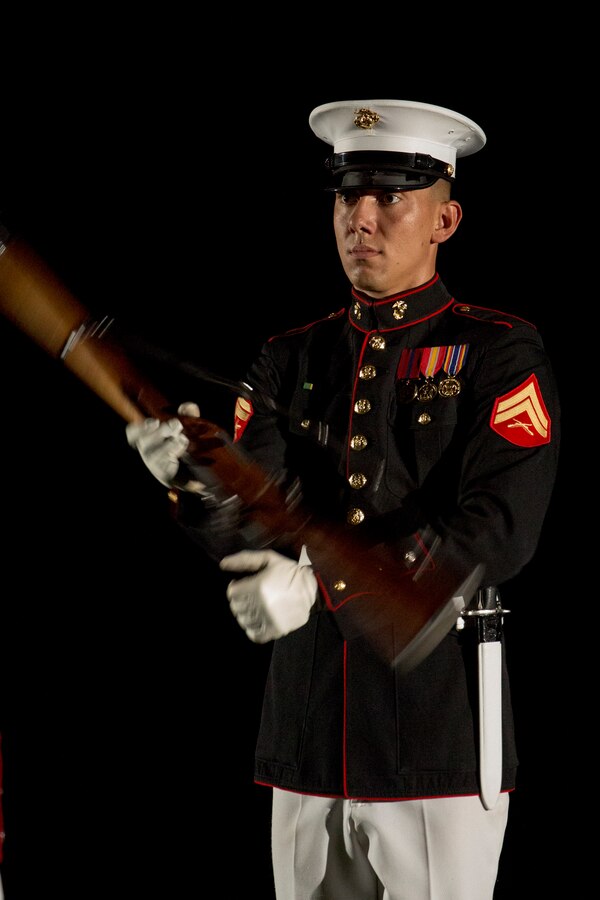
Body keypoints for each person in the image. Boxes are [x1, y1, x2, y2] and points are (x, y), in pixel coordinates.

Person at [126, 99, 561, 899]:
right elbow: (253, 521)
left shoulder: (496, 352)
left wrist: (322, 580)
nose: (362, 216)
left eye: (390, 195)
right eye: (347, 195)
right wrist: (191, 484)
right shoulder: (290, 357)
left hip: (437, 735)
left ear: (445, 218)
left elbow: (497, 529)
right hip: (307, 730)